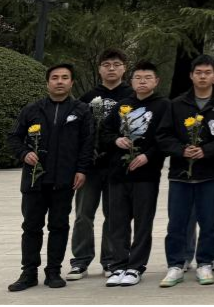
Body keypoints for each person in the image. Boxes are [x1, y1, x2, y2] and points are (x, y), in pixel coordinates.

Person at [7, 63, 94, 292]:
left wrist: (82, 170)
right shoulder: (32, 109)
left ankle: (53, 271)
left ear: (71, 82)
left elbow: (87, 143)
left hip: (64, 179)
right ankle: (28, 272)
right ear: (47, 83)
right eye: (55, 77)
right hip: (34, 180)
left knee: (59, 226)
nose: (59, 81)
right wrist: (24, 153)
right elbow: (14, 137)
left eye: (65, 77)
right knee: (31, 227)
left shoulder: (81, 111)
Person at [156, 55, 214, 288]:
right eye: (198, 73)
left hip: (211, 172)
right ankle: (175, 264)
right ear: (191, 76)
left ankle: (205, 263)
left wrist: (206, 151)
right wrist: (182, 150)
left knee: (209, 222)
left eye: (207, 72)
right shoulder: (177, 104)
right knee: (177, 222)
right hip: (181, 173)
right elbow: (163, 136)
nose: (203, 77)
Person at [102, 61, 170, 287]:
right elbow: (105, 133)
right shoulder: (122, 105)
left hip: (146, 175)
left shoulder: (163, 106)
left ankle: (135, 266)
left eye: (147, 78)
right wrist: (116, 140)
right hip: (118, 174)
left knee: (142, 223)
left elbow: (165, 138)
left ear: (156, 81)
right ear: (131, 81)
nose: (142, 81)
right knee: (117, 222)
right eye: (138, 78)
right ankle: (118, 265)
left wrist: (148, 156)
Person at [68, 49, 134, 281]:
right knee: (83, 214)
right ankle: (80, 261)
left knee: (114, 215)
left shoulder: (131, 96)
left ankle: (111, 260)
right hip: (91, 167)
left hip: (117, 166)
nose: (111, 68)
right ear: (99, 69)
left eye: (116, 64)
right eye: (106, 64)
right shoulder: (87, 98)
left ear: (124, 68)